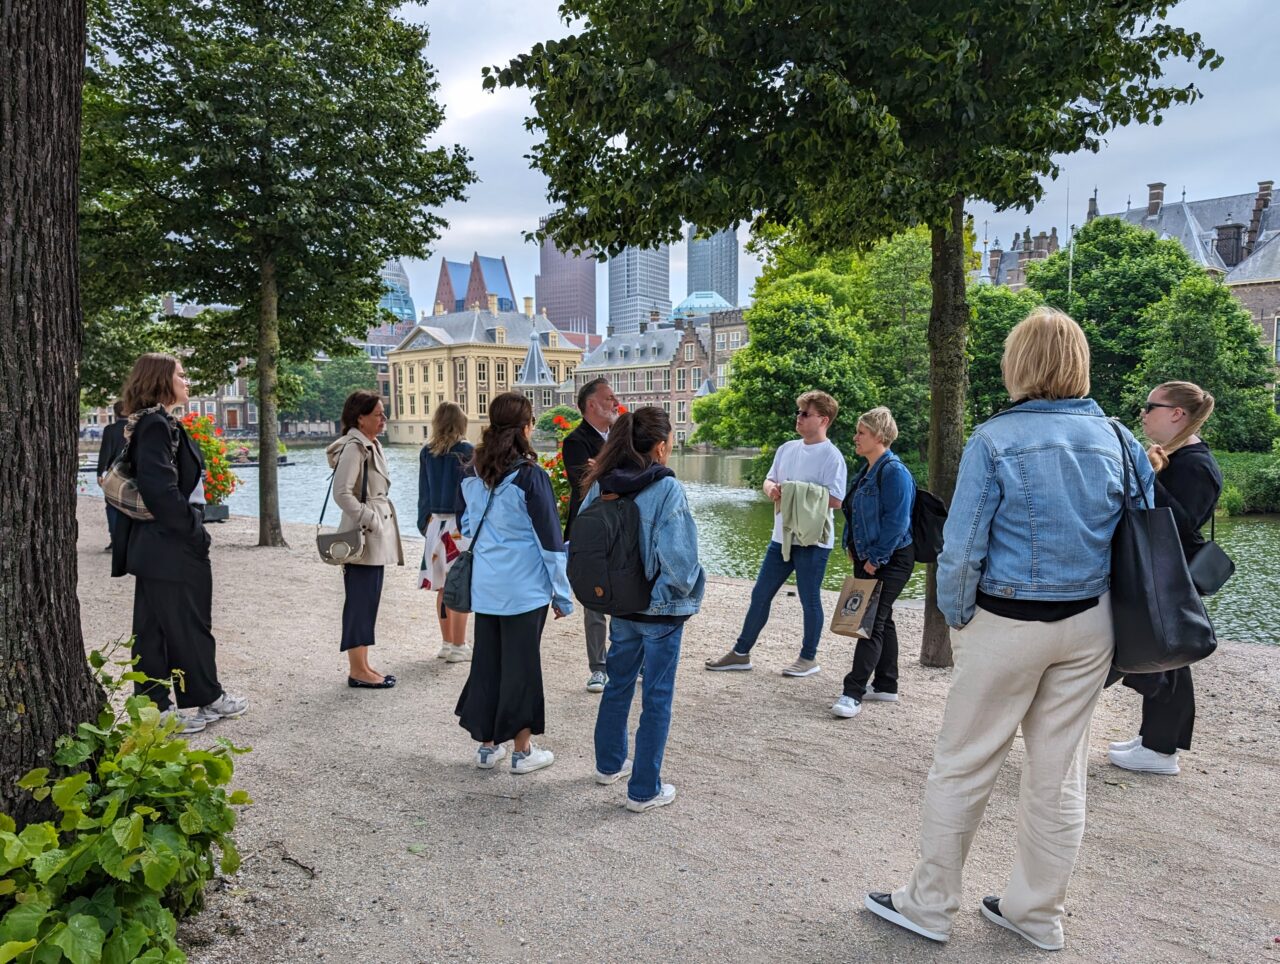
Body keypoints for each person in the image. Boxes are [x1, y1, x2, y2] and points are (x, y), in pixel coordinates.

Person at [864, 308, 1154, 953]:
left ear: (1018, 364)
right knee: (1059, 775)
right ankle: (1035, 912)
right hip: (1091, 622)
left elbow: (963, 548)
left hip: (1009, 618)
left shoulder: (994, 440)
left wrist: (960, 619)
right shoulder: (1118, 438)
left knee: (964, 763)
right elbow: (1139, 534)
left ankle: (930, 904)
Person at [111, 353, 248, 734]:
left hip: (154, 547)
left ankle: (157, 711)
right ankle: (207, 699)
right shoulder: (155, 424)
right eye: (181, 376)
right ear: (161, 381)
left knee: (153, 631)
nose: (187, 382)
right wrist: (194, 529)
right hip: (171, 544)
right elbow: (160, 489)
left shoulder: (150, 423)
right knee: (190, 624)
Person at [580, 406, 705, 812]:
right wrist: (674, 593)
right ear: (662, 446)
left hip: (621, 605)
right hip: (661, 610)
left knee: (617, 684)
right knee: (656, 695)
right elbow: (681, 564)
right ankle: (643, 790)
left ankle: (608, 764)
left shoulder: (602, 484)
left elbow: (583, 542)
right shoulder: (666, 488)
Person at [454, 392, 573, 774]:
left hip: (486, 587)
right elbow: (551, 543)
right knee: (521, 667)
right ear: (526, 427)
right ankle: (522, 751)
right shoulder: (530, 476)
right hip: (523, 590)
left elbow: (467, 528)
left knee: (487, 663)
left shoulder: (472, 472)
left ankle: (487, 748)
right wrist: (563, 594)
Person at [1109, 381, 1221, 776]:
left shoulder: (1197, 465)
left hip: (1171, 576)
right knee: (1168, 657)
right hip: (1162, 572)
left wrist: (1145, 475)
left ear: (1177, 414)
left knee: (1171, 658)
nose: (1143, 413)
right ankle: (1155, 740)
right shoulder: (1179, 458)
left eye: (1150, 406)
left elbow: (1184, 525)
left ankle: (1160, 751)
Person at [705, 390, 847, 677]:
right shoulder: (786, 449)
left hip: (813, 541)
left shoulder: (832, 457)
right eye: (798, 413)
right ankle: (741, 653)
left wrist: (796, 491)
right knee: (760, 594)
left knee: (810, 599)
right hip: (781, 538)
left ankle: (808, 658)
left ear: (823, 419)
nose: (799, 418)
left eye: (805, 414)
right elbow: (770, 479)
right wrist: (771, 488)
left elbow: (836, 499)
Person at [832, 407, 916, 719]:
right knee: (883, 618)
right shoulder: (868, 469)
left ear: (878, 437)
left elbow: (897, 522)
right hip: (868, 557)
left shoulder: (894, 471)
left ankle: (852, 692)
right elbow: (854, 512)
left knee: (870, 623)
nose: (855, 437)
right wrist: (852, 547)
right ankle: (886, 685)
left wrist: (876, 559)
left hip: (889, 559)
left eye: (861, 433)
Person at [326, 390, 404, 689]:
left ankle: (364, 664)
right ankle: (358, 670)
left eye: (383, 413)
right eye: (378, 414)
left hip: (374, 533)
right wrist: (369, 518)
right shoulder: (356, 447)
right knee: (360, 601)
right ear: (360, 417)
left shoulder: (370, 444)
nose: (383, 419)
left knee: (367, 599)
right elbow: (341, 492)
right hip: (366, 534)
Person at [561, 376, 620, 692]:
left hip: (622, 528)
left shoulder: (621, 436)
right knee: (596, 599)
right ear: (592, 404)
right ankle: (598, 667)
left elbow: (632, 475)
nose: (615, 402)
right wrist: (615, 472)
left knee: (625, 594)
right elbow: (585, 485)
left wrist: (604, 467)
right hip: (591, 531)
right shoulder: (575, 441)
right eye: (610, 397)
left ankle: (623, 661)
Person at [417, 401, 474, 663]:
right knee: (459, 587)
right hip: (457, 527)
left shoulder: (427, 452)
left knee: (441, 587)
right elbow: (471, 494)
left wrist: (424, 525)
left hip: (434, 524)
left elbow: (423, 493)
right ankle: (460, 645)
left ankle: (447, 643)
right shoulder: (466, 450)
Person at [96, 400, 128, 551]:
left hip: (114, 473)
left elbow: (105, 453)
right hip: (133, 473)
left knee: (113, 507)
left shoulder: (110, 430)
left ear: (115, 413)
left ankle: (115, 540)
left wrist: (99, 472)